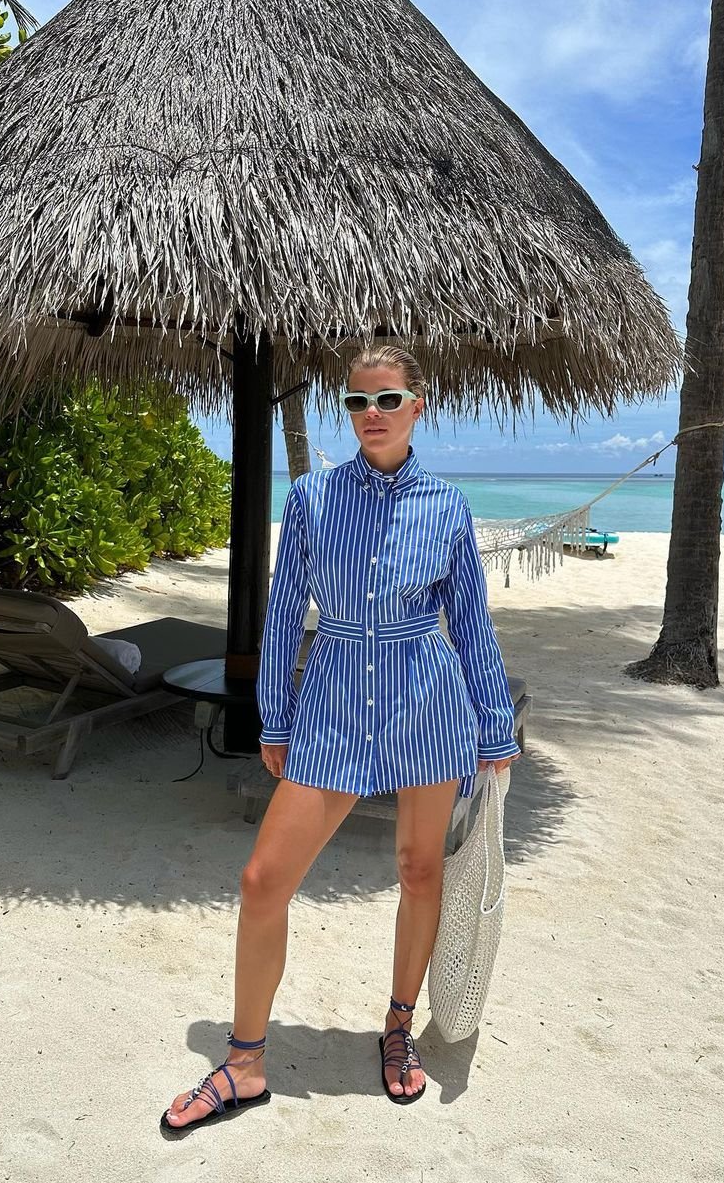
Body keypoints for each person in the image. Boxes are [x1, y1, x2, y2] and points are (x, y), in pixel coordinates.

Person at [161, 345, 521, 1133]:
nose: (371, 415)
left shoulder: (447, 506)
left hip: (428, 697)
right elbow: (284, 609)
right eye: (357, 402)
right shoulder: (315, 497)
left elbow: (470, 625)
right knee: (263, 879)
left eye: (387, 399)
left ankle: (396, 1026)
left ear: (418, 406)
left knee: (419, 869)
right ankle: (244, 1060)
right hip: (333, 698)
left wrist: (495, 725)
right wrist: (275, 716)